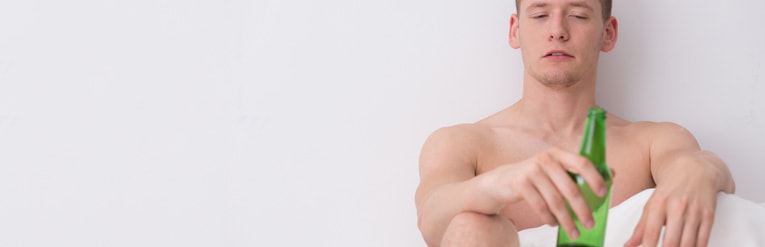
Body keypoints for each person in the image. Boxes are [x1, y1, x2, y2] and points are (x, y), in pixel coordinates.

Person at [413, 0, 736, 246]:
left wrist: (701, 170)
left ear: (607, 34)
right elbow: (431, 218)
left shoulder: (651, 141)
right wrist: (499, 184)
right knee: (473, 225)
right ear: (515, 31)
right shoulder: (463, 142)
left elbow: (690, 163)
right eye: (540, 15)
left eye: (578, 15)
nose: (557, 30)